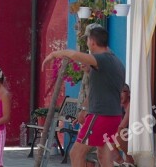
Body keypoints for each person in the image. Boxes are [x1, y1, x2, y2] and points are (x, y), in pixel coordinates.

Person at [43, 24, 125, 167]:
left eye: (87, 40)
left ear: (92, 41)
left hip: (100, 115)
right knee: (104, 155)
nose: (87, 43)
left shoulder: (102, 59)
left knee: (76, 153)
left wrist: (54, 54)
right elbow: (100, 89)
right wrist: (84, 108)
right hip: (114, 115)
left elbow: (74, 55)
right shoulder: (115, 61)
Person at [110, 83, 136, 166]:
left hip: (138, 130)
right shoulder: (118, 106)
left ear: (128, 93)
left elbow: (122, 125)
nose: (120, 95)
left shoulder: (130, 105)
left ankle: (130, 159)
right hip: (127, 133)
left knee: (118, 133)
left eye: (123, 92)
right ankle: (120, 162)